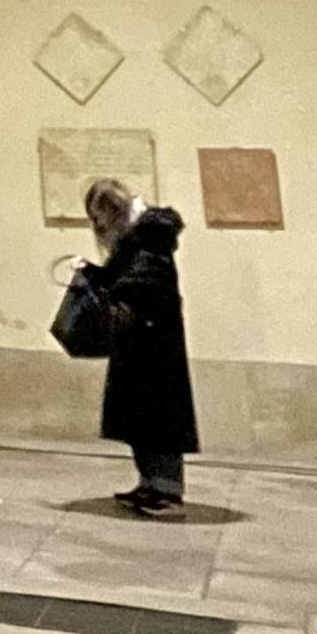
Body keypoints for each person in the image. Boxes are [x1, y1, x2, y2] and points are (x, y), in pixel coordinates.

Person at [83, 178, 196, 517]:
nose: (99, 228)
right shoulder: (136, 237)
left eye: (99, 219)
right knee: (138, 419)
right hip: (138, 341)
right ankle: (149, 483)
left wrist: (113, 286)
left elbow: (143, 280)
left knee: (160, 419)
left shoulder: (152, 235)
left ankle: (168, 492)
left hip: (156, 345)